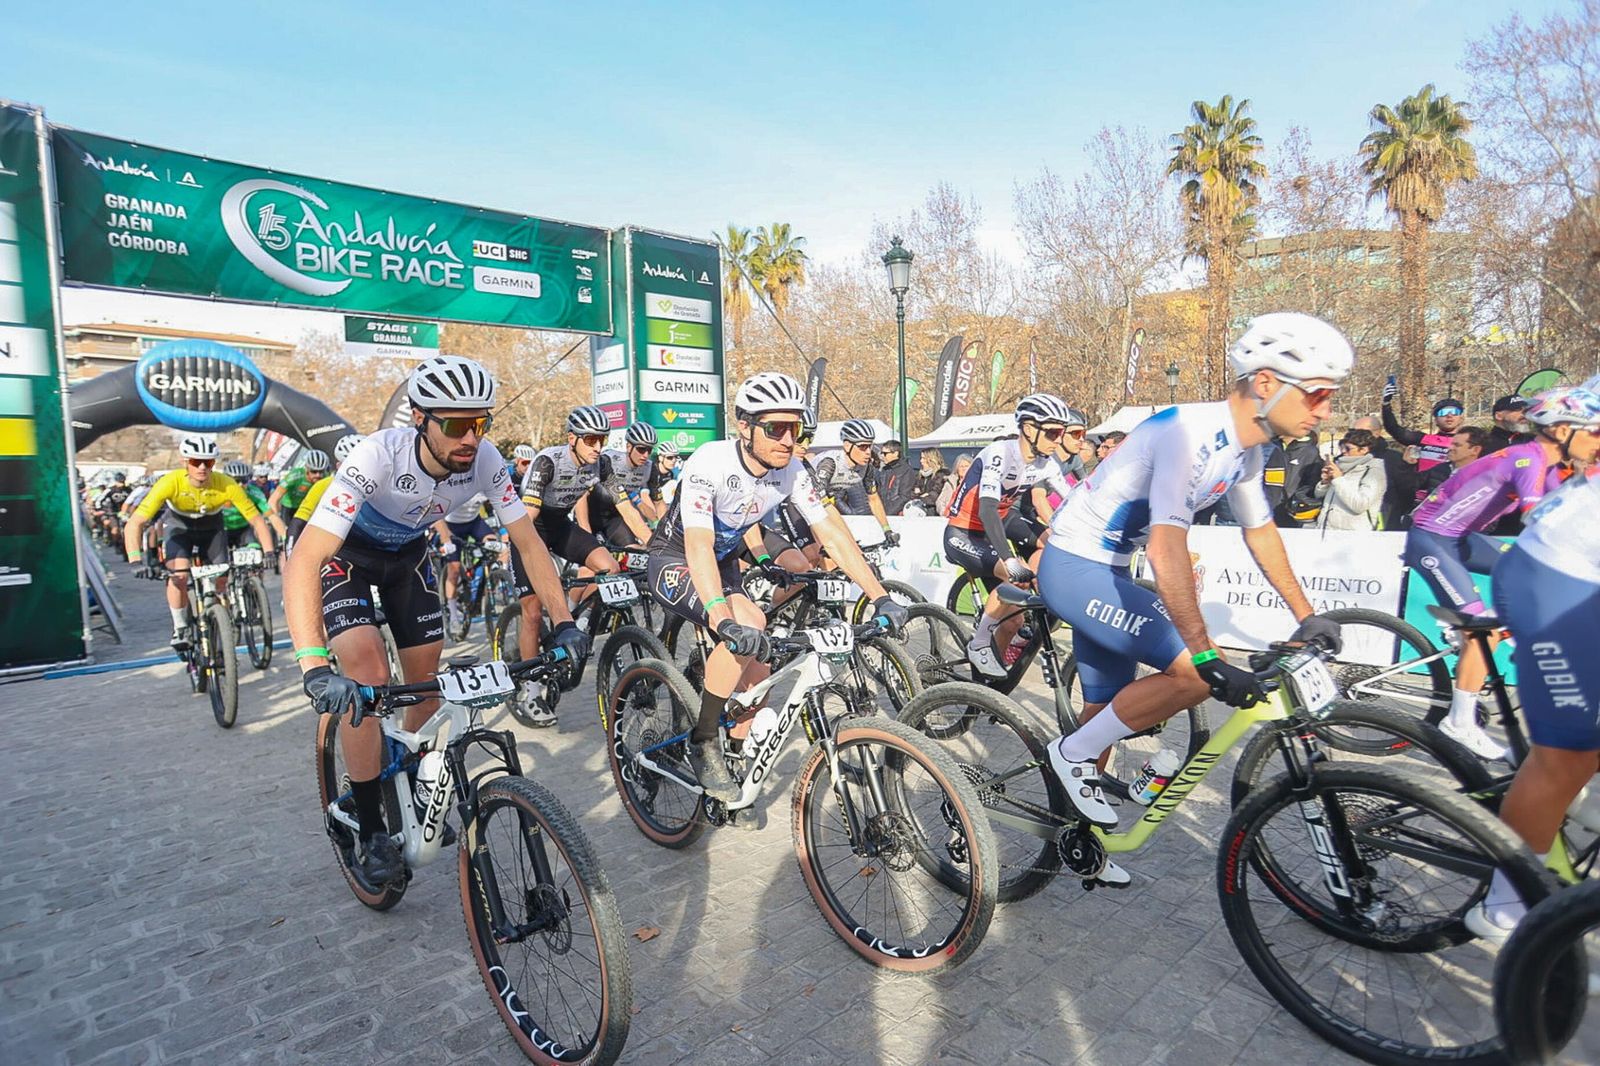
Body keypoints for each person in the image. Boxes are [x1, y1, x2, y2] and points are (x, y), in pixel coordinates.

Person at [1037, 312, 1351, 867]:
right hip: (1075, 566)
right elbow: (1165, 550)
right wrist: (1206, 652)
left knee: (1105, 708)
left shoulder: (1248, 452)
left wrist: (1307, 615)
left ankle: (1079, 843)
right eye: (1318, 394)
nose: (1326, 410)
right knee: (1192, 671)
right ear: (1266, 383)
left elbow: (1261, 534)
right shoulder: (1189, 434)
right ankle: (1069, 755)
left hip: (1109, 567)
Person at [286, 356, 585, 885]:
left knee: (426, 686)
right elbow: (307, 559)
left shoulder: (486, 459)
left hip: (406, 558)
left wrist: (565, 625)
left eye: (480, 422)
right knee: (369, 678)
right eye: (455, 424)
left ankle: (420, 788)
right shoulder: (377, 454)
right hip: (343, 557)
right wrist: (312, 665)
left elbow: (530, 544)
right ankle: (372, 823)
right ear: (421, 419)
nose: (471, 437)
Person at [644, 372, 905, 802]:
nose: (787, 439)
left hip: (723, 561)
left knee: (759, 671)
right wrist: (719, 614)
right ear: (744, 426)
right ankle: (703, 739)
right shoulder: (710, 462)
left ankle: (736, 767)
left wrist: (879, 595)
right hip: (676, 558)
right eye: (775, 428)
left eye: (795, 428)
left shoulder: (793, 470)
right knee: (747, 621)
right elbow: (699, 543)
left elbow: (834, 534)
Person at [1467, 392, 1600, 943]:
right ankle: (1506, 907)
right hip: (1551, 581)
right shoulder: (1527, 458)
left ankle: (1578, 825)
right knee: (1567, 755)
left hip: (1575, 575)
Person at [1403, 386, 1594, 759]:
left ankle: (1478, 636)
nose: (1596, 439)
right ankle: (1458, 722)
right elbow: (1537, 516)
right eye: (1591, 430)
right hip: (1431, 539)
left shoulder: (1552, 465)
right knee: (1484, 631)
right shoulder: (1529, 459)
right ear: (1559, 429)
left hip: (1461, 538)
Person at [946, 394, 1077, 677]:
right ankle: (979, 644)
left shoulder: (1045, 463)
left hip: (1003, 520)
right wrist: (1009, 560)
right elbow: (988, 510)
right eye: (1054, 432)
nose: (1059, 439)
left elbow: (1075, 500)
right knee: (1016, 575)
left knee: (1012, 623)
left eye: (1063, 433)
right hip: (965, 529)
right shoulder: (1000, 453)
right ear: (1029, 429)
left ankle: (1002, 660)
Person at [511, 405, 625, 725]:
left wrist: (652, 541)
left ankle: (581, 622)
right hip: (529, 529)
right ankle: (529, 690)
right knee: (532, 611)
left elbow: (624, 504)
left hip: (560, 525)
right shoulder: (548, 462)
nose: (598, 447)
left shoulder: (600, 463)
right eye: (591, 440)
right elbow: (528, 519)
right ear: (572, 438)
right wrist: (540, 561)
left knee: (609, 567)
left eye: (602, 439)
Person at [125, 435, 274, 648]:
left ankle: (218, 615)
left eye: (209, 462)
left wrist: (268, 553)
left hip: (211, 529)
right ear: (185, 462)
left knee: (221, 577)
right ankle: (180, 628)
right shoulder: (169, 482)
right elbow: (135, 523)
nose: (202, 467)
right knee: (179, 575)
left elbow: (257, 520)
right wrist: (135, 560)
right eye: (196, 462)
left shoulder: (226, 484)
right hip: (179, 528)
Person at [813, 419, 899, 546]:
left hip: (828, 501)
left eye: (870, 446)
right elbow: (819, 502)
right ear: (847, 446)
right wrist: (845, 533)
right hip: (808, 502)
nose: (868, 452)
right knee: (817, 552)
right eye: (863, 447)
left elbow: (873, 499)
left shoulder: (866, 467)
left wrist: (887, 530)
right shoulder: (830, 464)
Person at [1382, 380, 1465, 500]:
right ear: (1435, 419)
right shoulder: (1424, 439)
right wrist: (1386, 404)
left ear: (1461, 417)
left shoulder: (1471, 441)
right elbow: (1395, 430)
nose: (1449, 416)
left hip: (1456, 497)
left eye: (1455, 412)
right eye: (1444, 412)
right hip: (1424, 498)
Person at [585, 421, 662, 548]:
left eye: (649, 450)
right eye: (641, 449)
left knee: (633, 551)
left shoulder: (649, 468)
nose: (645, 455)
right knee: (594, 558)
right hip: (590, 514)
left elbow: (659, 504)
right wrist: (585, 528)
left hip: (615, 516)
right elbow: (582, 495)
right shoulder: (608, 460)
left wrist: (659, 544)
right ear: (628, 447)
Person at [1313, 428, 1387, 530]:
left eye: (1348, 448)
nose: (1343, 451)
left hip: (1353, 535)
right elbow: (1319, 496)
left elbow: (1360, 505)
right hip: (1326, 529)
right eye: (1341, 447)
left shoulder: (1374, 471)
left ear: (1364, 450)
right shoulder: (1340, 465)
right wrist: (1325, 482)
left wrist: (1338, 479)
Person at [1352, 414, 1416, 530]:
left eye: (1362, 432)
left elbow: (1406, 492)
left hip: (1383, 519)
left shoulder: (1394, 459)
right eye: (1352, 431)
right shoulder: (1346, 456)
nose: (1355, 436)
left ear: (1376, 433)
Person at [1409, 426, 1488, 506]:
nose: (1450, 447)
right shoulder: (1439, 469)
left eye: (1457, 445)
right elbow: (1409, 484)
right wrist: (1407, 466)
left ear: (1475, 450)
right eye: (1451, 444)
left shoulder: (1485, 479)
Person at [267, 449, 331, 544]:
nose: (318, 475)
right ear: (307, 469)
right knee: (289, 538)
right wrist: (277, 520)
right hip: (289, 509)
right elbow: (273, 500)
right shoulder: (295, 476)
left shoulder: (326, 477)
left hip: (309, 509)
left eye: (321, 471)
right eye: (314, 471)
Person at [220, 460, 270, 548]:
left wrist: (284, 536)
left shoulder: (253, 492)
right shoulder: (218, 491)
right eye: (235, 481)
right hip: (221, 531)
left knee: (255, 550)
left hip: (244, 530)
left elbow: (271, 515)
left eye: (244, 481)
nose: (240, 485)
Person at [876, 439, 917, 516]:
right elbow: (879, 492)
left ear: (895, 453)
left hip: (896, 516)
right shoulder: (885, 470)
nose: (882, 456)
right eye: (881, 453)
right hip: (882, 513)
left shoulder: (906, 470)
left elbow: (904, 497)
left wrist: (887, 513)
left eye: (885, 453)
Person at [907, 449, 948, 516]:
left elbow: (934, 496)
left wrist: (920, 496)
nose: (921, 461)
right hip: (919, 511)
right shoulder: (920, 475)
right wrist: (922, 495)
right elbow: (911, 492)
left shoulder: (941, 474)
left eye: (924, 458)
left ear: (931, 459)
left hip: (934, 514)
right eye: (921, 458)